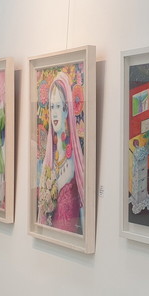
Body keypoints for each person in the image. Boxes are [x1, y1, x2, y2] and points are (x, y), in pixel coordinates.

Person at [37, 75, 84, 234]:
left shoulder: (76, 160)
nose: (54, 113)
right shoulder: (48, 159)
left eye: (58, 106)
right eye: (52, 107)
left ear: (66, 110)